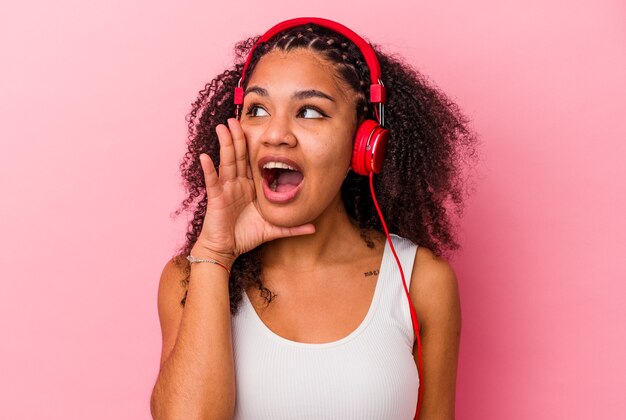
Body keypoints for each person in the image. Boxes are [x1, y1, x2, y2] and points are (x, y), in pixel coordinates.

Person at [150, 17, 478, 420]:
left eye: (309, 111)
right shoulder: (190, 276)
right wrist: (216, 256)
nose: (276, 134)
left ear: (364, 143)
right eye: (257, 109)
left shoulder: (420, 281)